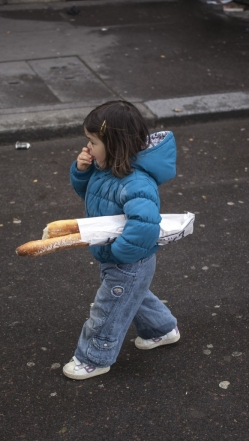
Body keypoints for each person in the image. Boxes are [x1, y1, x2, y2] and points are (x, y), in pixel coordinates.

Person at [63, 100, 180, 380]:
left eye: (92, 142)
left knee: (109, 307)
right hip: (117, 256)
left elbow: (146, 224)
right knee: (132, 296)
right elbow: (92, 196)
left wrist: (119, 252)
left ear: (115, 145)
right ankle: (161, 329)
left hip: (127, 259)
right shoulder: (107, 169)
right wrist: (83, 171)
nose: (87, 147)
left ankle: (94, 357)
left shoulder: (135, 182)